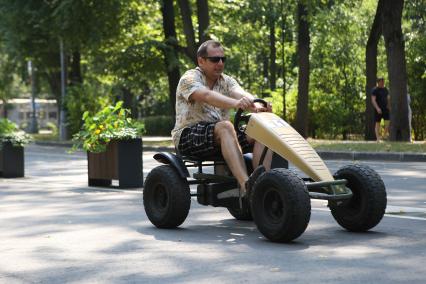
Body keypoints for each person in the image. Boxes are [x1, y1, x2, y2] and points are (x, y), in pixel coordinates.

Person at [171, 40, 272, 197]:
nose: (220, 63)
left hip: (222, 135)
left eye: (223, 59)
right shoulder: (189, 78)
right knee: (225, 126)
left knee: (262, 128)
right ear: (201, 61)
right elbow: (206, 96)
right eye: (215, 59)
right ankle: (247, 187)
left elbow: (242, 93)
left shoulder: (226, 81)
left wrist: (257, 105)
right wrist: (237, 104)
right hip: (189, 135)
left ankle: (263, 184)